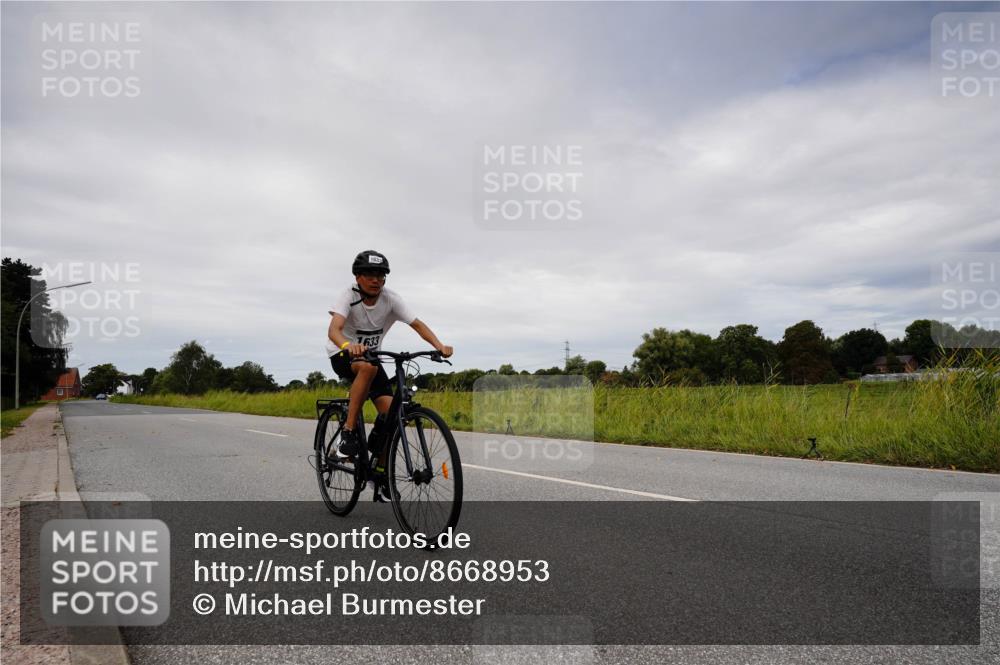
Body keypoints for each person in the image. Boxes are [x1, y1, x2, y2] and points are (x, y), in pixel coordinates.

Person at [326, 250, 453, 468]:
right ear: (358, 277)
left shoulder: (391, 299)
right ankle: (347, 433)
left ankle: (380, 471)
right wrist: (348, 346)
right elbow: (334, 329)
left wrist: (439, 346)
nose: (376, 280)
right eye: (369, 274)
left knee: (392, 416)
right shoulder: (348, 296)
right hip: (342, 353)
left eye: (381, 275)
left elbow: (417, 325)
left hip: (372, 359)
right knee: (366, 368)